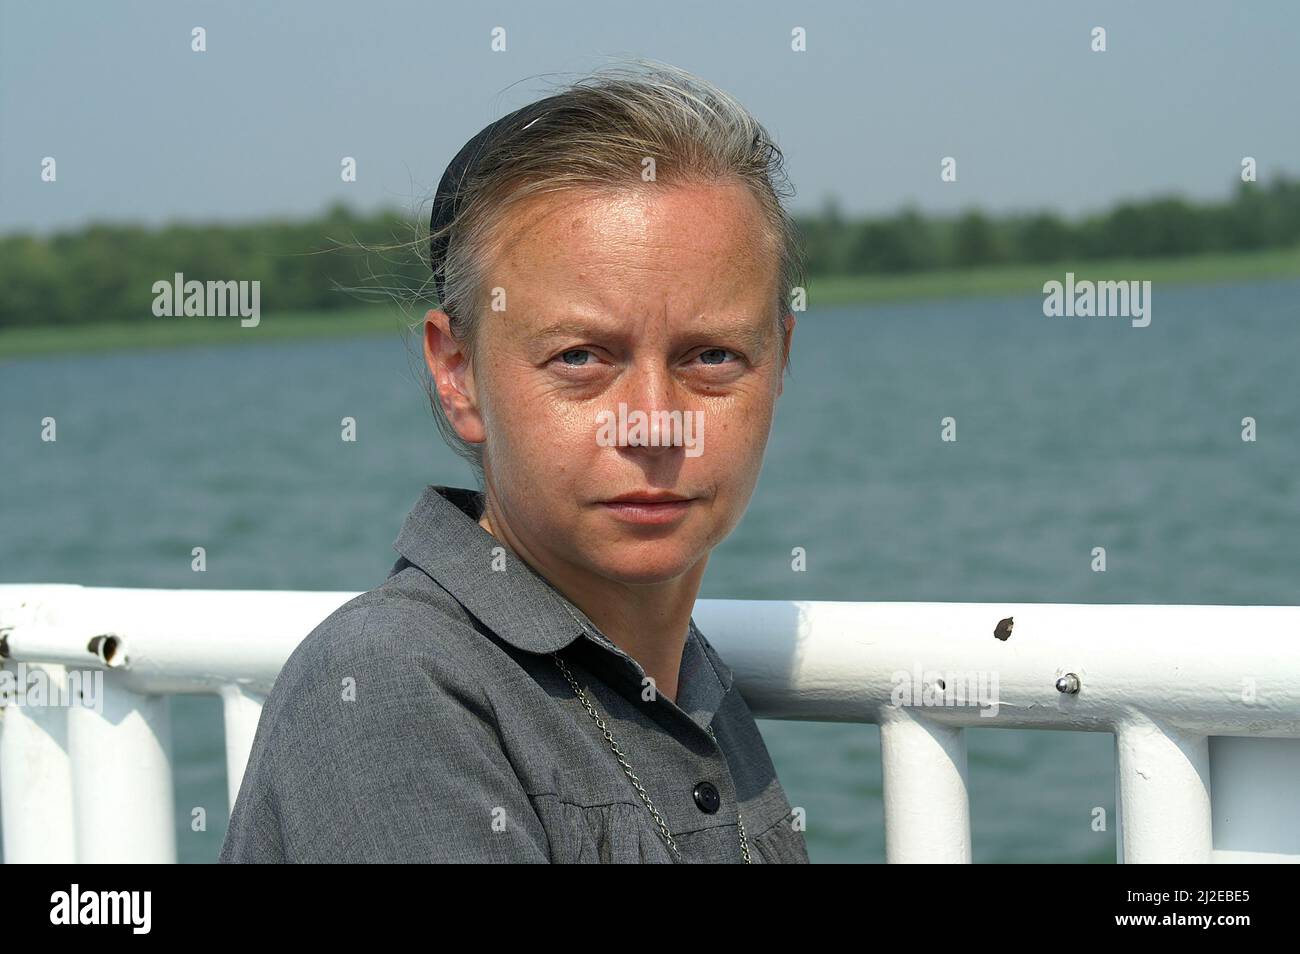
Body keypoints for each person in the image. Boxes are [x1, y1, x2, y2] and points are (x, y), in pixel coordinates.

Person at [220, 60, 806, 863]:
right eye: (580, 358)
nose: (655, 426)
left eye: (711, 355)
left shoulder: (685, 685)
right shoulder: (396, 685)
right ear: (457, 371)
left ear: (780, 362)